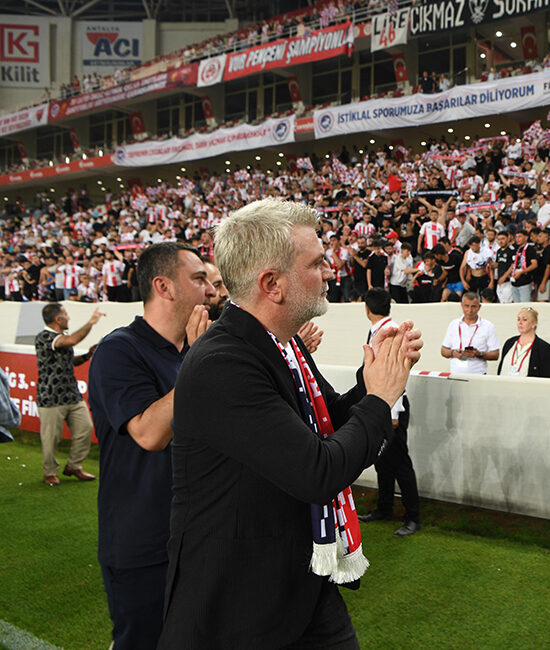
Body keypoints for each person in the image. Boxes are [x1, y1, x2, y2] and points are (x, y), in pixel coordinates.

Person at [160, 199, 422, 648]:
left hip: (299, 583)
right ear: (272, 284)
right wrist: (380, 398)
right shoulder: (222, 363)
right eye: (316, 263)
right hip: (241, 605)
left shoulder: (282, 345)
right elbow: (317, 471)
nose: (329, 271)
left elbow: (331, 420)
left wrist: (374, 375)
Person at [87, 242, 215, 649]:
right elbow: (149, 434)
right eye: (199, 279)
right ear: (164, 286)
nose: (211, 290)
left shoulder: (192, 352)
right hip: (142, 544)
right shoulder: (119, 350)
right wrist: (199, 362)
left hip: (197, 539)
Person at [358, 289, 420, 537]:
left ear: (367, 309)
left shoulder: (389, 333)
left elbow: (396, 374)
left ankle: (412, 517)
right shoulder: (383, 330)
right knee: (382, 461)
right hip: (383, 405)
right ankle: (384, 508)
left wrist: (392, 414)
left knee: (400, 463)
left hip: (391, 406)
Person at [34, 303, 104, 485]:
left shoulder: (60, 338)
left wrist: (87, 355)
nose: (69, 318)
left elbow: (69, 360)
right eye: (66, 314)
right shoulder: (44, 337)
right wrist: (91, 322)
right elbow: (72, 340)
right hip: (51, 397)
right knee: (51, 439)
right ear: (58, 319)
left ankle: (74, 465)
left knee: (85, 428)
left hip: (72, 394)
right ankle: (50, 472)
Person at [440, 291, 500, 375]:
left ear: (479, 307)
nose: (470, 310)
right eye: (466, 306)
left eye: (473, 306)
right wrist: (453, 353)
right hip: (455, 375)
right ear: (461, 305)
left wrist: (479, 354)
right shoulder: (454, 324)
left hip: (478, 375)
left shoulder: (488, 326)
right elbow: (443, 351)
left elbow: (495, 354)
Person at [498, 307, 550, 378]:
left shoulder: (543, 348)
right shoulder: (509, 343)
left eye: (524, 320)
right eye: (518, 319)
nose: (520, 323)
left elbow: (549, 377)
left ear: (534, 324)